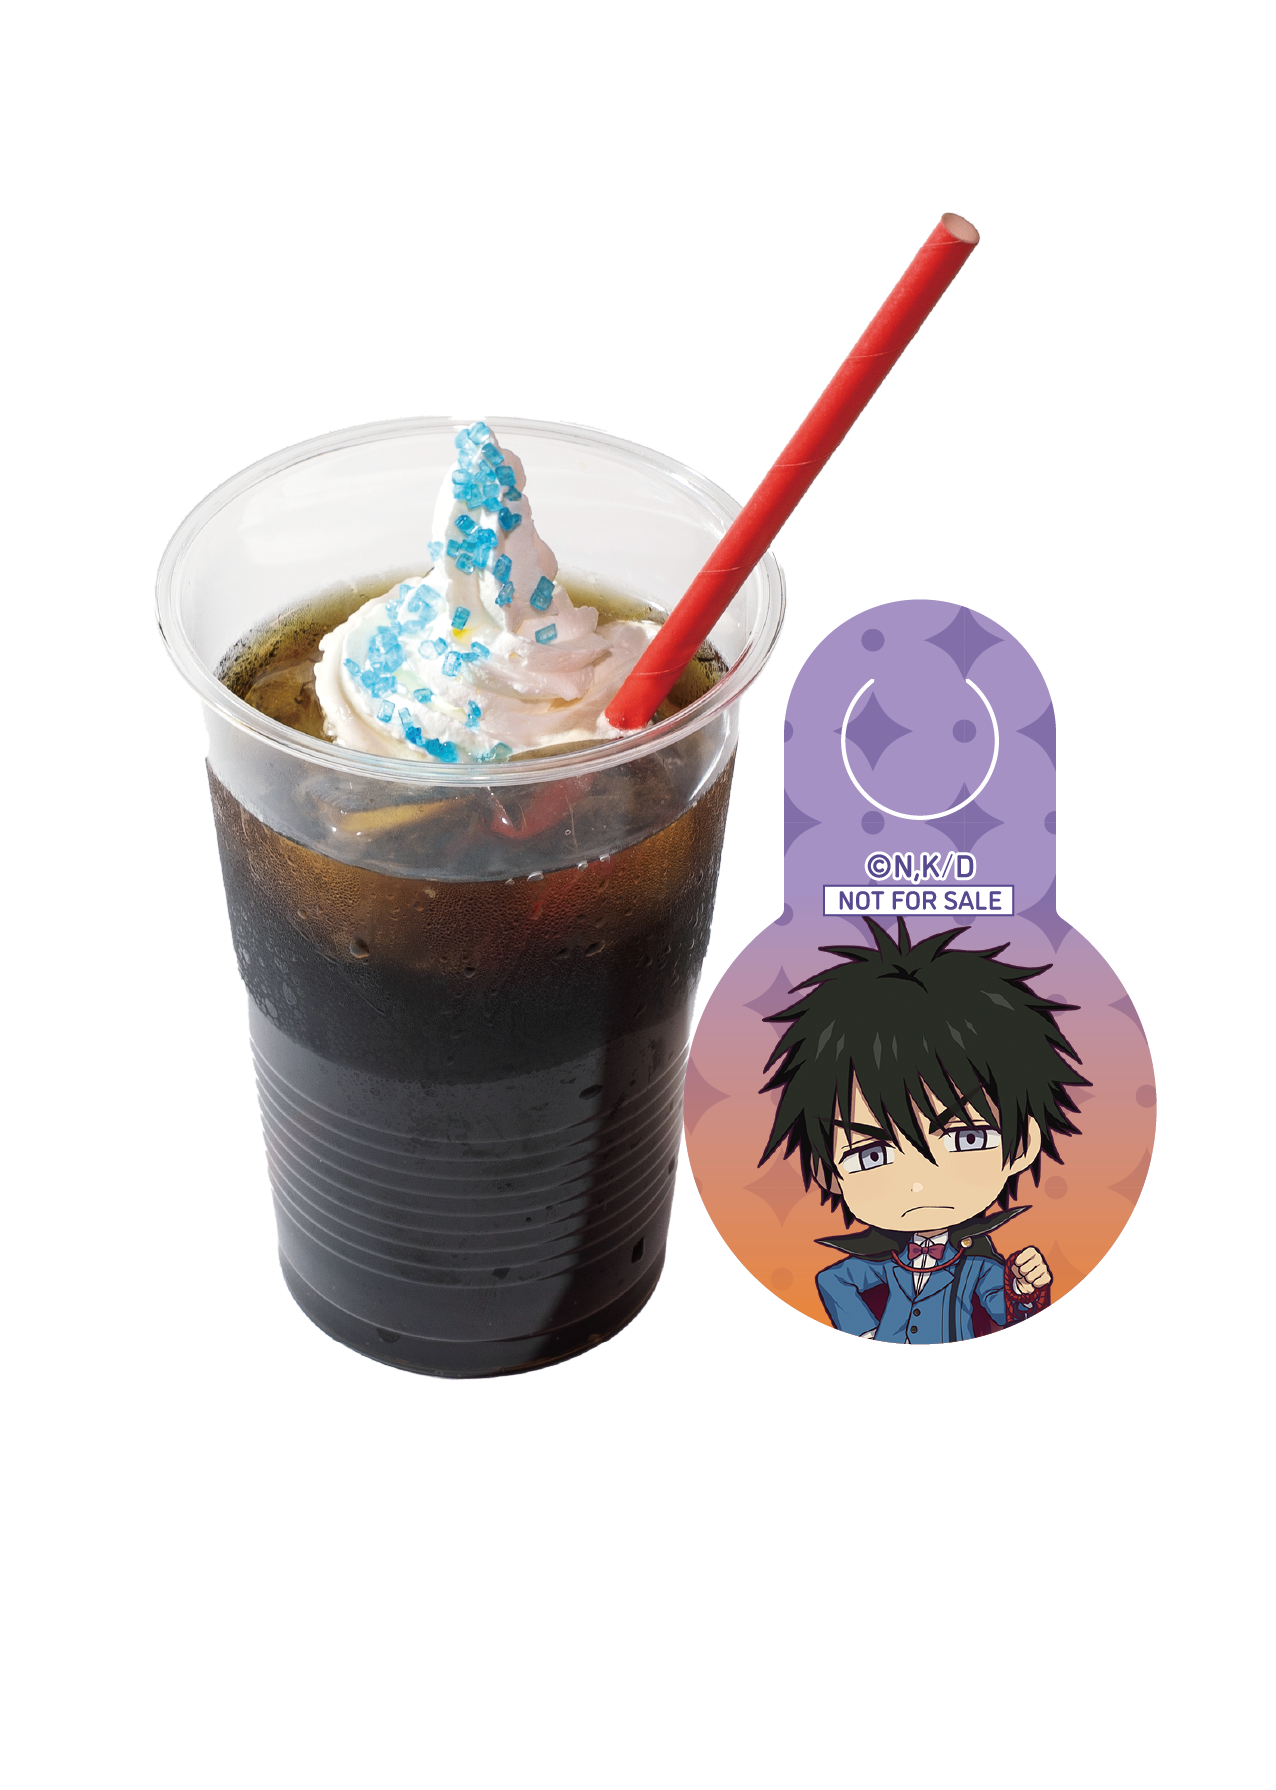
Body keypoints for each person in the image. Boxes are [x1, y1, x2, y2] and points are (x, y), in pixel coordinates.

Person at [759, 918, 1089, 1344]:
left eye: (966, 1138)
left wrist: (1024, 1289)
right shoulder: (884, 1264)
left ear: (1022, 1144)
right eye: (871, 1155)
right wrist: (866, 1333)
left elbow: (1006, 1315)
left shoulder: (979, 1268)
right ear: (830, 1174)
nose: (918, 1183)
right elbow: (832, 1279)